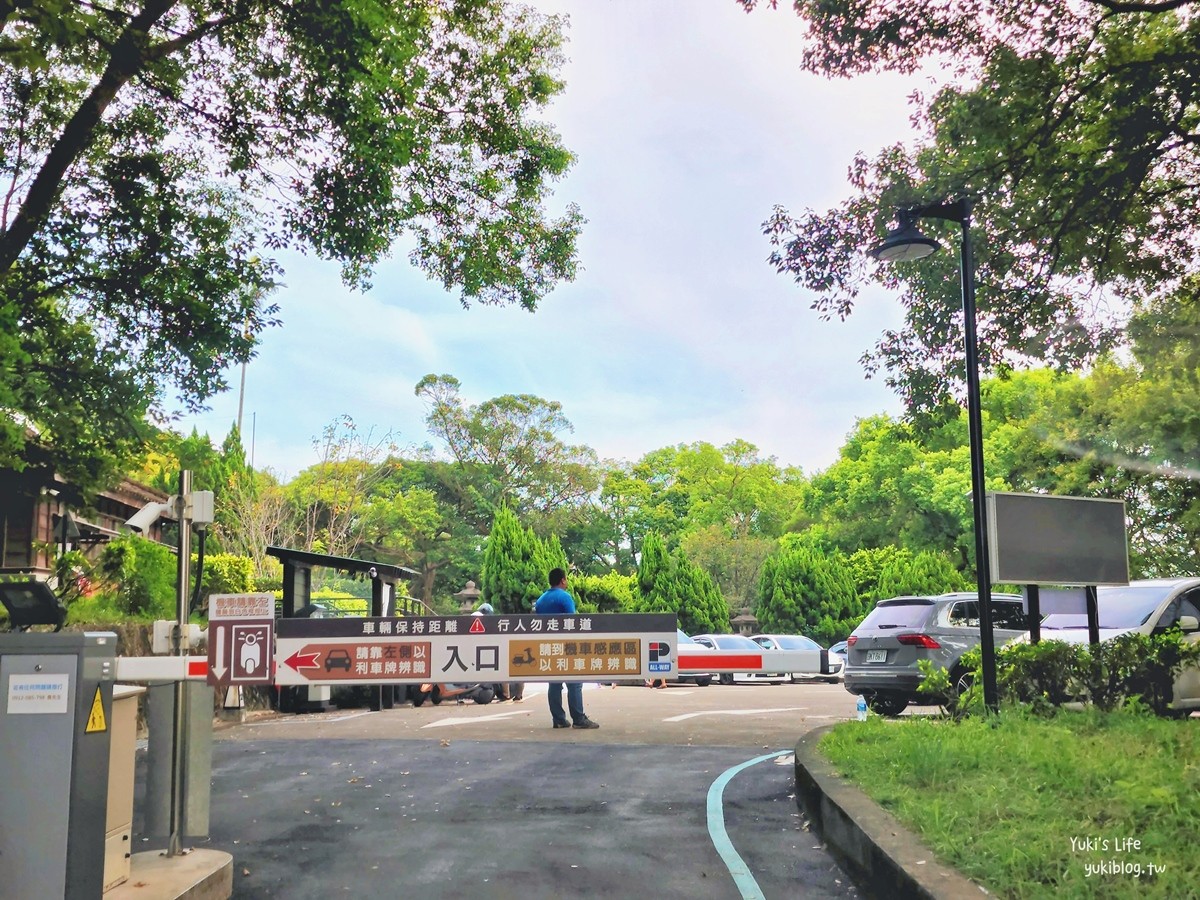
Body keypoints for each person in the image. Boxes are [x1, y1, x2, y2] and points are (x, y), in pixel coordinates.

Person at [533, 568, 599, 729]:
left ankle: (559, 719)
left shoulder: (541, 600)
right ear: (563, 580)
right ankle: (579, 719)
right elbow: (572, 624)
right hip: (567, 646)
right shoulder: (565, 597)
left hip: (548, 646)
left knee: (554, 683)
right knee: (574, 682)